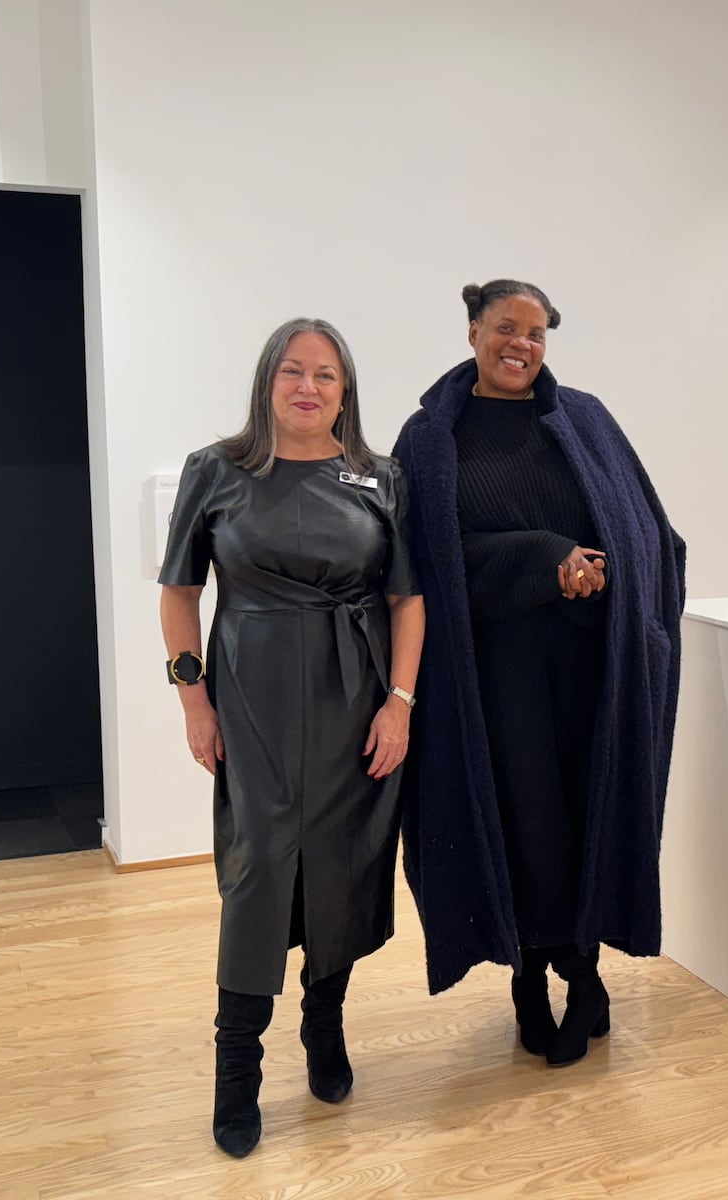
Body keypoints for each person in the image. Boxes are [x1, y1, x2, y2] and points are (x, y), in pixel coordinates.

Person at [394, 279, 684, 1067]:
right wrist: (542, 559)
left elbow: (646, 529)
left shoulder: (583, 419)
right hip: (492, 675)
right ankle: (528, 981)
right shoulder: (430, 440)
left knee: (591, 814)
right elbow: (423, 563)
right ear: (472, 332)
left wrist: (603, 572)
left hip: (592, 660)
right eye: (504, 328)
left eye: (536, 333)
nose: (520, 344)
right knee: (526, 828)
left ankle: (585, 974)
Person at [158, 318, 424, 1156]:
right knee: (257, 871)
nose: (309, 387)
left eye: (328, 376)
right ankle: (235, 1069)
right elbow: (179, 591)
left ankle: (325, 1025)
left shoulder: (381, 480)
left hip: (356, 705)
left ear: (346, 393)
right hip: (253, 704)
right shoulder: (218, 470)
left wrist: (401, 703)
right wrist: (193, 702)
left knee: (341, 866)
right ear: (268, 381)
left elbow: (406, 601)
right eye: (294, 372)